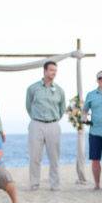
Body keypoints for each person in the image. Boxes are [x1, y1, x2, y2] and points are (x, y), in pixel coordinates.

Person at [25, 60, 65, 190]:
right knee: (35, 157)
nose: (54, 73)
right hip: (36, 124)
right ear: (45, 71)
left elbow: (62, 108)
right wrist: (37, 119)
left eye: (55, 70)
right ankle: (34, 184)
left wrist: (54, 119)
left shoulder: (59, 90)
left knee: (54, 157)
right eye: (51, 70)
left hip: (53, 124)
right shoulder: (32, 88)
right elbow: (28, 106)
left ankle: (55, 185)